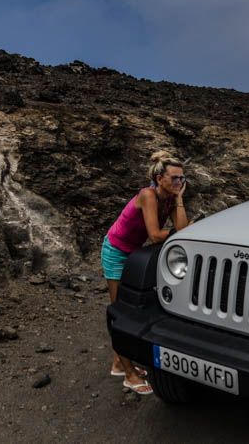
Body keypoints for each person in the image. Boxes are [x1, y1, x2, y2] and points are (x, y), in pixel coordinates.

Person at [102, 151, 190, 394]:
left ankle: (120, 362)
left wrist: (180, 199)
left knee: (131, 307)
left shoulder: (171, 198)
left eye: (182, 179)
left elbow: (180, 227)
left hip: (135, 253)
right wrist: (178, 232)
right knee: (120, 310)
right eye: (174, 178)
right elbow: (155, 235)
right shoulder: (148, 195)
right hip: (116, 251)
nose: (178, 183)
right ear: (159, 177)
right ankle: (129, 375)